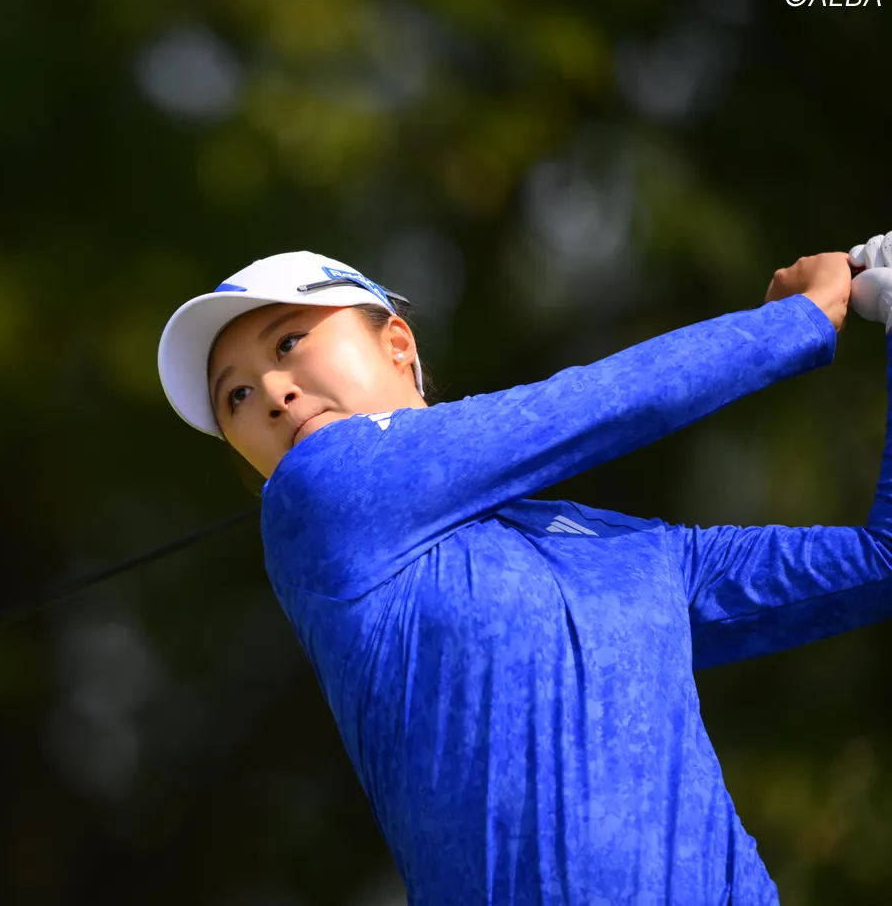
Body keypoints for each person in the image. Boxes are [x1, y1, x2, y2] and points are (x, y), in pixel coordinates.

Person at [156, 245, 892, 904]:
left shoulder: (618, 547)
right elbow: (599, 403)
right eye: (235, 396)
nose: (273, 394)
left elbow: (880, 562)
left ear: (397, 344)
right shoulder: (314, 497)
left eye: (288, 342)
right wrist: (798, 320)